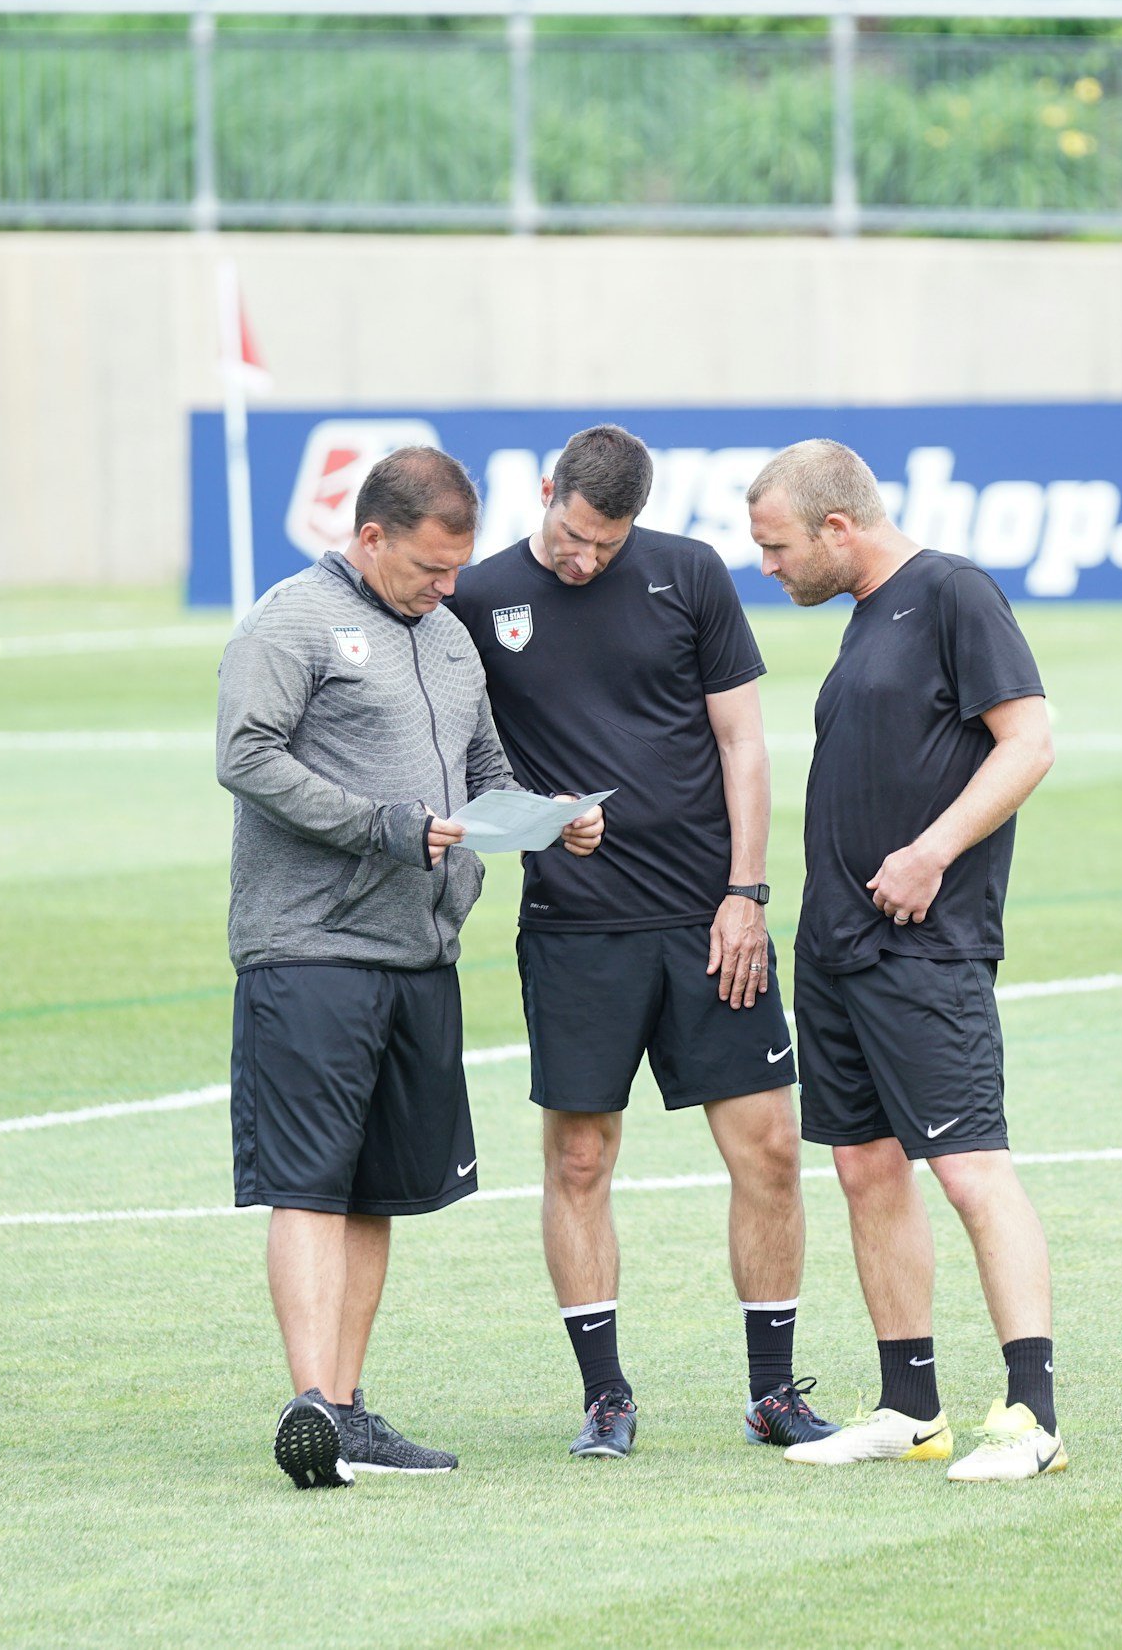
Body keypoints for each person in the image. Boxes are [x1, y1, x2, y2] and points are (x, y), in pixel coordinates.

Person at [448, 424, 838, 1461]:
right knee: (578, 1157)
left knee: (767, 1148)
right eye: (574, 538)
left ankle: (771, 1393)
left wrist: (746, 891)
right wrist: (529, 816)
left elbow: (741, 741)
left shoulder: (688, 574)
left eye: (606, 545)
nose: (587, 559)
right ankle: (605, 1397)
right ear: (545, 494)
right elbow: (457, 765)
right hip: (574, 928)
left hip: (710, 921)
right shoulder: (479, 599)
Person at [216, 444, 602, 1490]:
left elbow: (481, 766)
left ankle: (343, 1406)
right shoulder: (289, 621)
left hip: (423, 950)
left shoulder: (448, 635)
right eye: (429, 569)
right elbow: (244, 756)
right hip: (311, 949)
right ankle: (308, 1401)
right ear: (371, 535)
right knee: (309, 1183)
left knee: (381, 1190)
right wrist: (378, 827)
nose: (445, 589)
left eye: (456, 571)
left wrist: (537, 818)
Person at [745, 439, 1066, 1483]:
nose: (769, 566)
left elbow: (1028, 741)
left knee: (971, 1168)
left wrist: (932, 851)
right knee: (863, 1166)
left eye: (777, 545)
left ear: (838, 528)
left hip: (924, 946)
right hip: (836, 946)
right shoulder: (864, 619)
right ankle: (909, 1403)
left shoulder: (951, 593)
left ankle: (1035, 1414)